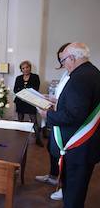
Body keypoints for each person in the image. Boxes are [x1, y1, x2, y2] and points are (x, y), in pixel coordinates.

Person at [38, 42, 100, 208]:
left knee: (74, 194)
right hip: (86, 145)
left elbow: (73, 115)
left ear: (72, 58)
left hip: (78, 146)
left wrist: (47, 114)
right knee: (75, 189)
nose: (63, 64)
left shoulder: (79, 78)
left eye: (63, 60)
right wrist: (58, 101)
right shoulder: (92, 72)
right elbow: (82, 106)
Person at [35, 43, 71, 201]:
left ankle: (64, 187)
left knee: (64, 156)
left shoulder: (75, 76)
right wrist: (52, 99)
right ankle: (52, 175)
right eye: (60, 59)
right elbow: (63, 97)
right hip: (57, 119)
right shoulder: (66, 74)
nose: (62, 62)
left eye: (63, 58)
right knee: (52, 149)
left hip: (64, 123)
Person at [13, 60, 43, 147]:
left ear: (30, 68)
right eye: (23, 68)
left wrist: (24, 91)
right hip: (20, 101)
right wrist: (23, 93)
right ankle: (19, 139)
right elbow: (15, 89)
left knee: (34, 120)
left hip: (31, 101)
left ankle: (38, 139)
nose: (25, 69)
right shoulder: (18, 78)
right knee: (20, 120)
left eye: (27, 67)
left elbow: (35, 88)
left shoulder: (35, 77)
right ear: (21, 70)